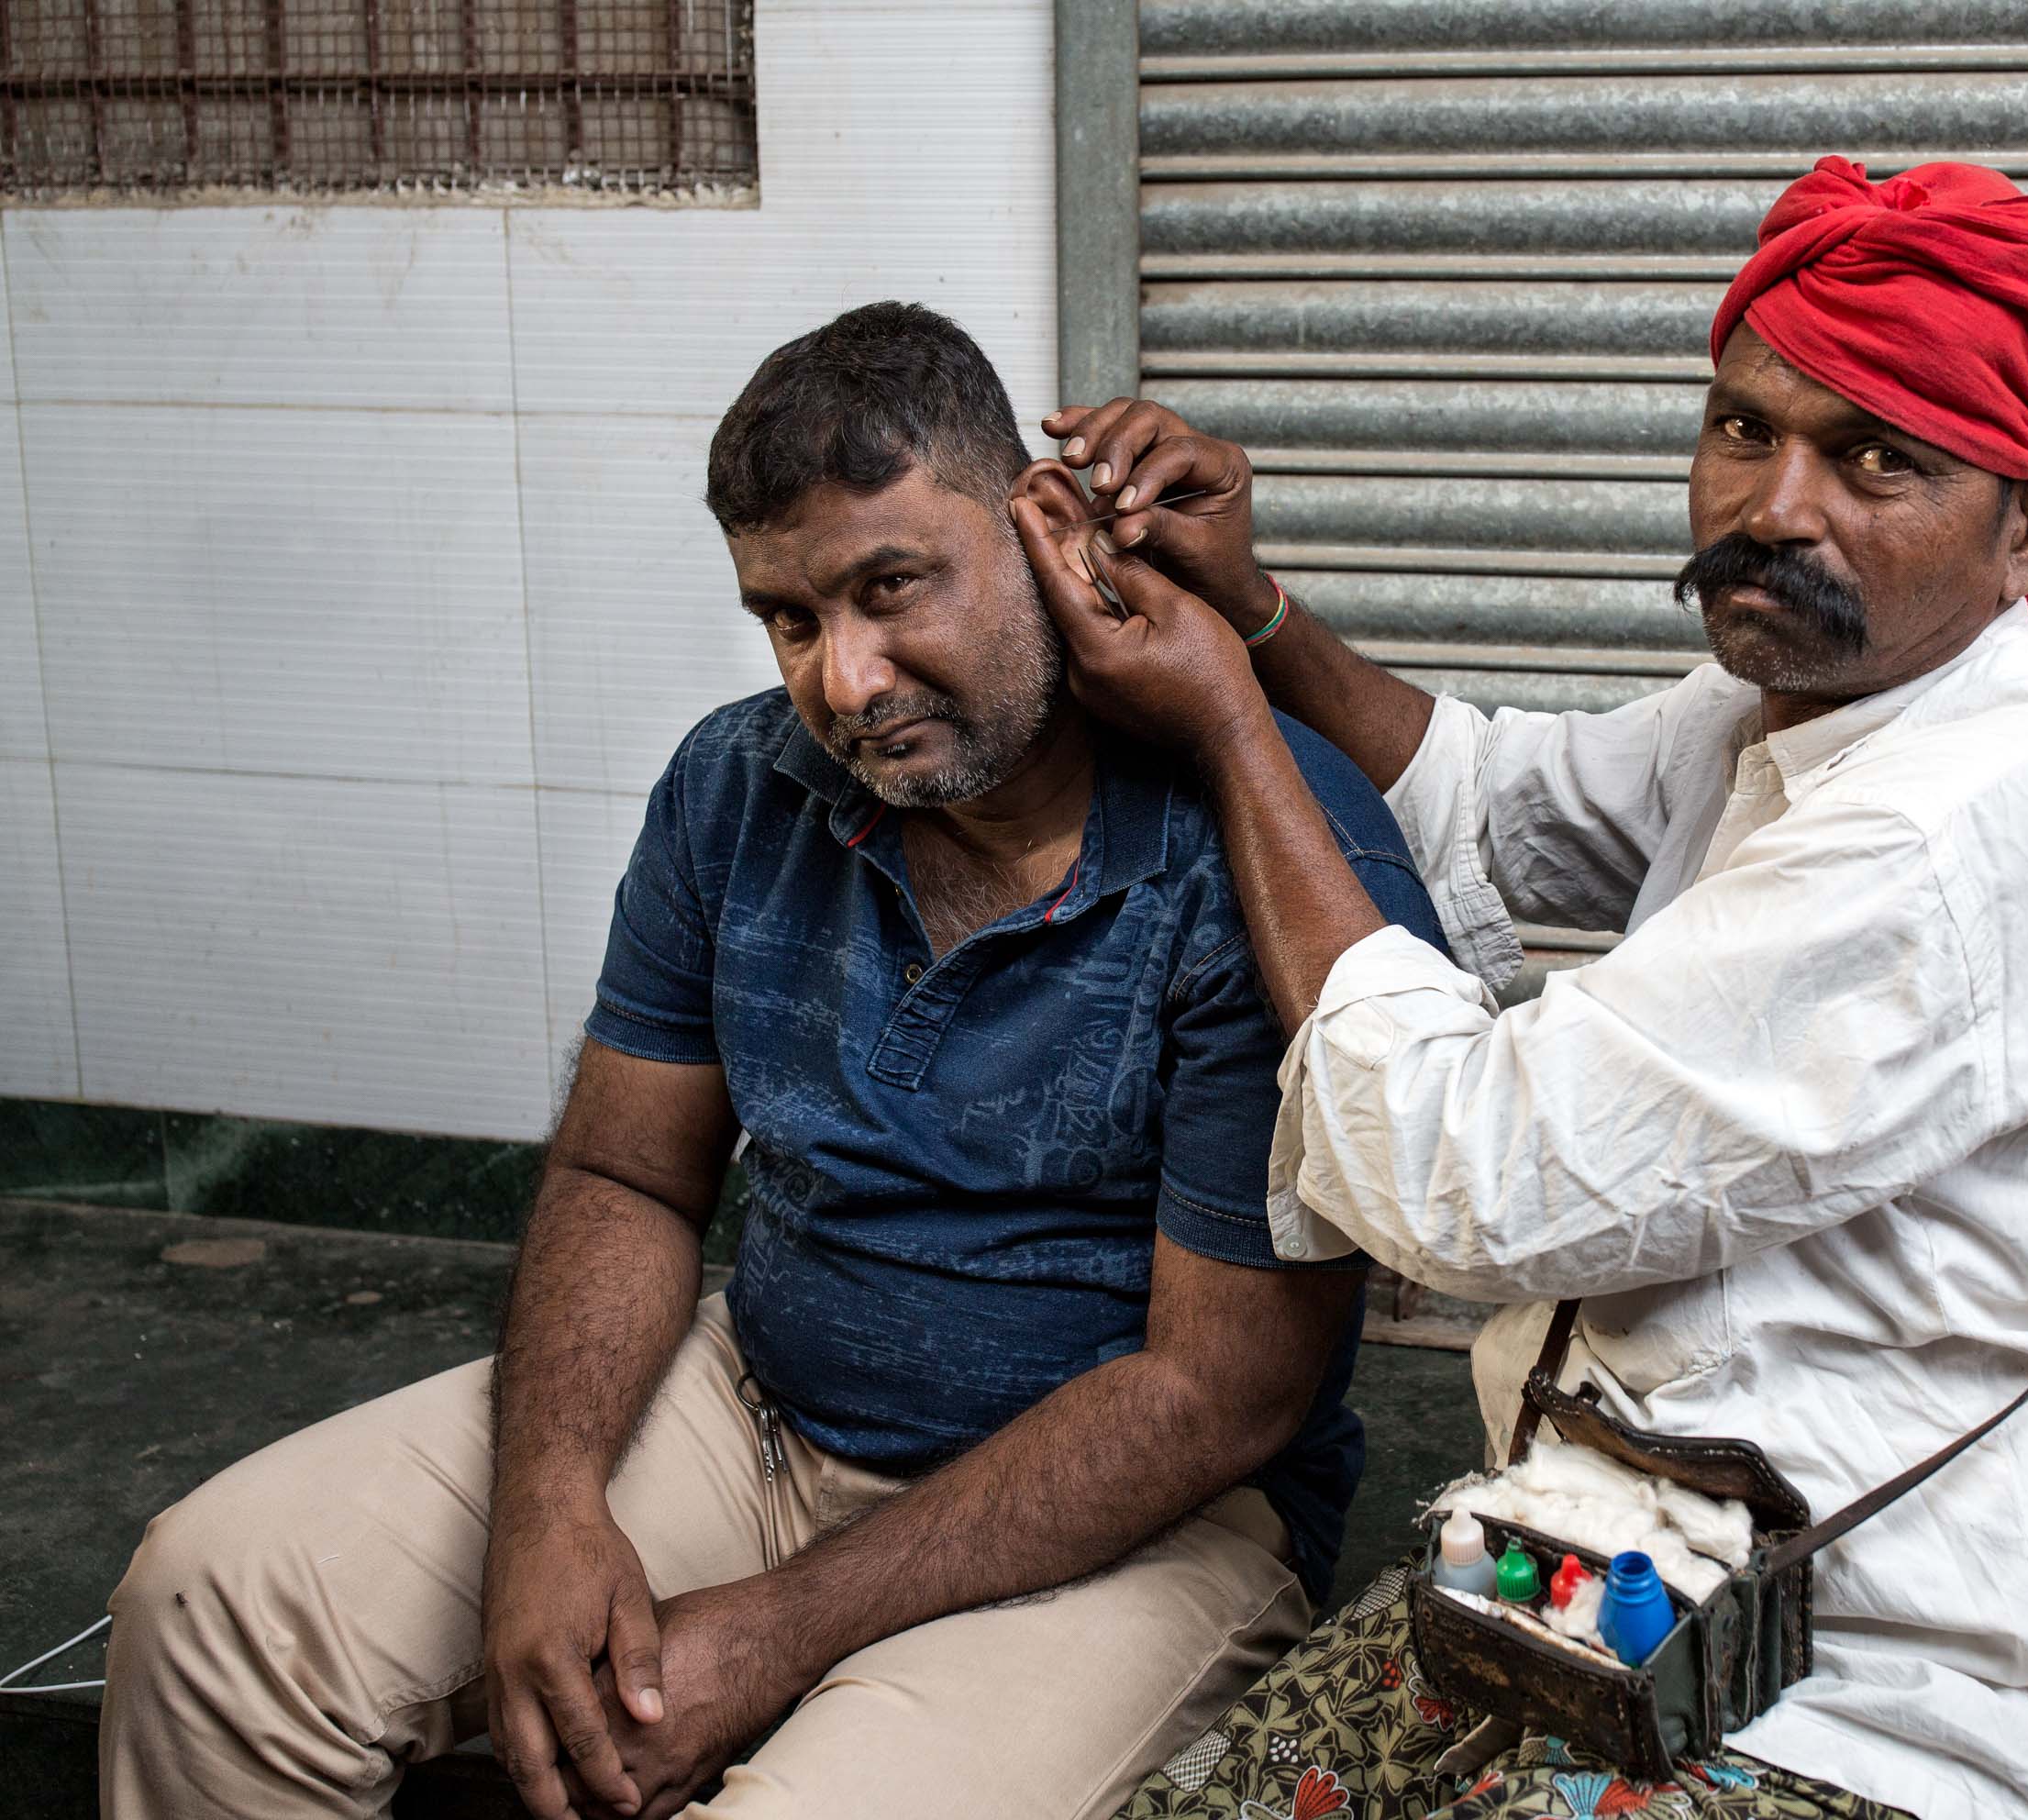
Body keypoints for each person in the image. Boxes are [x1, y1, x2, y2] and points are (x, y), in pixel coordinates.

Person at [97, 301, 1447, 1820]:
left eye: (891, 588)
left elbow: (1219, 1394)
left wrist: (779, 1629)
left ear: (1045, 525)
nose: (847, 681)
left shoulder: (1267, 852)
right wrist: (549, 1511)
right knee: (218, 1607)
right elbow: (626, 1170)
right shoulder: (741, 785)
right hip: (758, 1401)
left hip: (1144, 1529)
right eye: (792, 620)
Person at [1008, 159, 2028, 1820]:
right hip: (1623, 1576)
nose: (1776, 507)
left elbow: (1467, 1178)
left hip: (1891, 1702)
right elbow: (1496, 802)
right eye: (1746, 430)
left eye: (1876, 458)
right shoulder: (1797, 709)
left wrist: (1227, 722)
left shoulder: (1951, 833)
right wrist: (1258, 610)